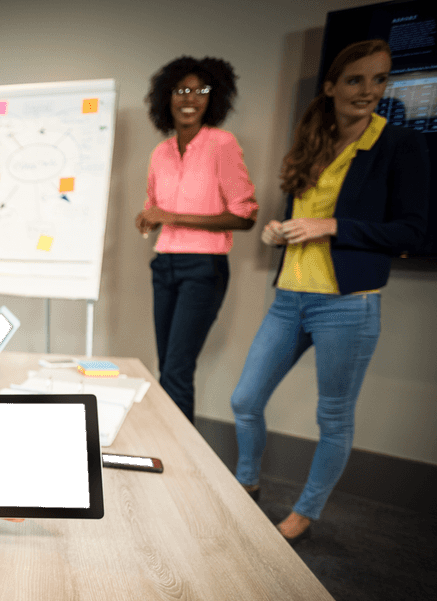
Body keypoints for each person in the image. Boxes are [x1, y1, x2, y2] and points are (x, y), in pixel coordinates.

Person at [230, 39, 429, 543]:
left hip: (348, 307)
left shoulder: (400, 145)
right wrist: (280, 232)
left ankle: (306, 511)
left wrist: (332, 226)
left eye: (379, 79)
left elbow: (411, 232)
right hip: (289, 298)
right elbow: (303, 219)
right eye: (356, 79)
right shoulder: (312, 141)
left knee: (333, 417)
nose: (368, 90)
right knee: (245, 398)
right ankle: (246, 482)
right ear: (331, 86)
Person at [135, 56, 259, 423]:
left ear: (213, 98)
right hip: (165, 264)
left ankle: (179, 457)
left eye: (200, 90)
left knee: (176, 369)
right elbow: (154, 208)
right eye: (181, 90)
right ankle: (170, 445)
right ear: (166, 97)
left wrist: (171, 216)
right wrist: (148, 219)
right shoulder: (161, 152)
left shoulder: (222, 144)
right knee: (167, 366)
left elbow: (245, 215)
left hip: (203, 268)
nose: (190, 98)